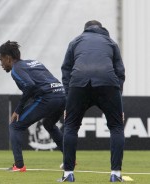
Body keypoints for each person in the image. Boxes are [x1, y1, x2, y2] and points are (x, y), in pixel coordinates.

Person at [58, 20, 125, 182]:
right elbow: (120, 72)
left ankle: (68, 174)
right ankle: (115, 174)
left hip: (79, 83)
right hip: (108, 83)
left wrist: (69, 99)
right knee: (116, 127)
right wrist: (118, 99)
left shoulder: (75, 41)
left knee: (71, 126)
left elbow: (66, 70)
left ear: (85, 30)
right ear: (102, 29)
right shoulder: (111, 42)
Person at [0, 40, 66, 172]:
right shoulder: (34, 62)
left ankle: (19, 166)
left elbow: (30, 86)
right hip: (62, 94)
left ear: (8, 58)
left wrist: (18, 109)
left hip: (48, 98)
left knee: (15, 126)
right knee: (49, 124)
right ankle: (70, 159)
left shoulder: (16, 69)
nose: (1, 64)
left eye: (1, 60)